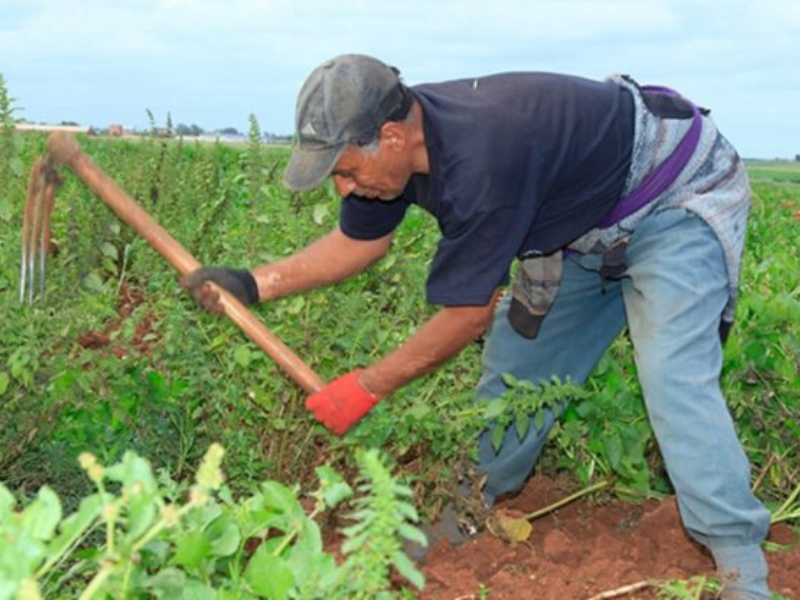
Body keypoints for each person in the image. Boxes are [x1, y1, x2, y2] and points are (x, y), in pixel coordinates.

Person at [183, 54, 771, 598]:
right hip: (578, 228)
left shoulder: (482, 158)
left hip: (674, 198)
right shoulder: (390, 155)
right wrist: (253, 283)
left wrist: (366, 386)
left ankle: (739, 559)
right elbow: (358, 242)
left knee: (672, 375)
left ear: (390, 138)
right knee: (517, 370)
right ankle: (470, 504)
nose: (344, 187)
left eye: (344, 170)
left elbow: (466, 316)